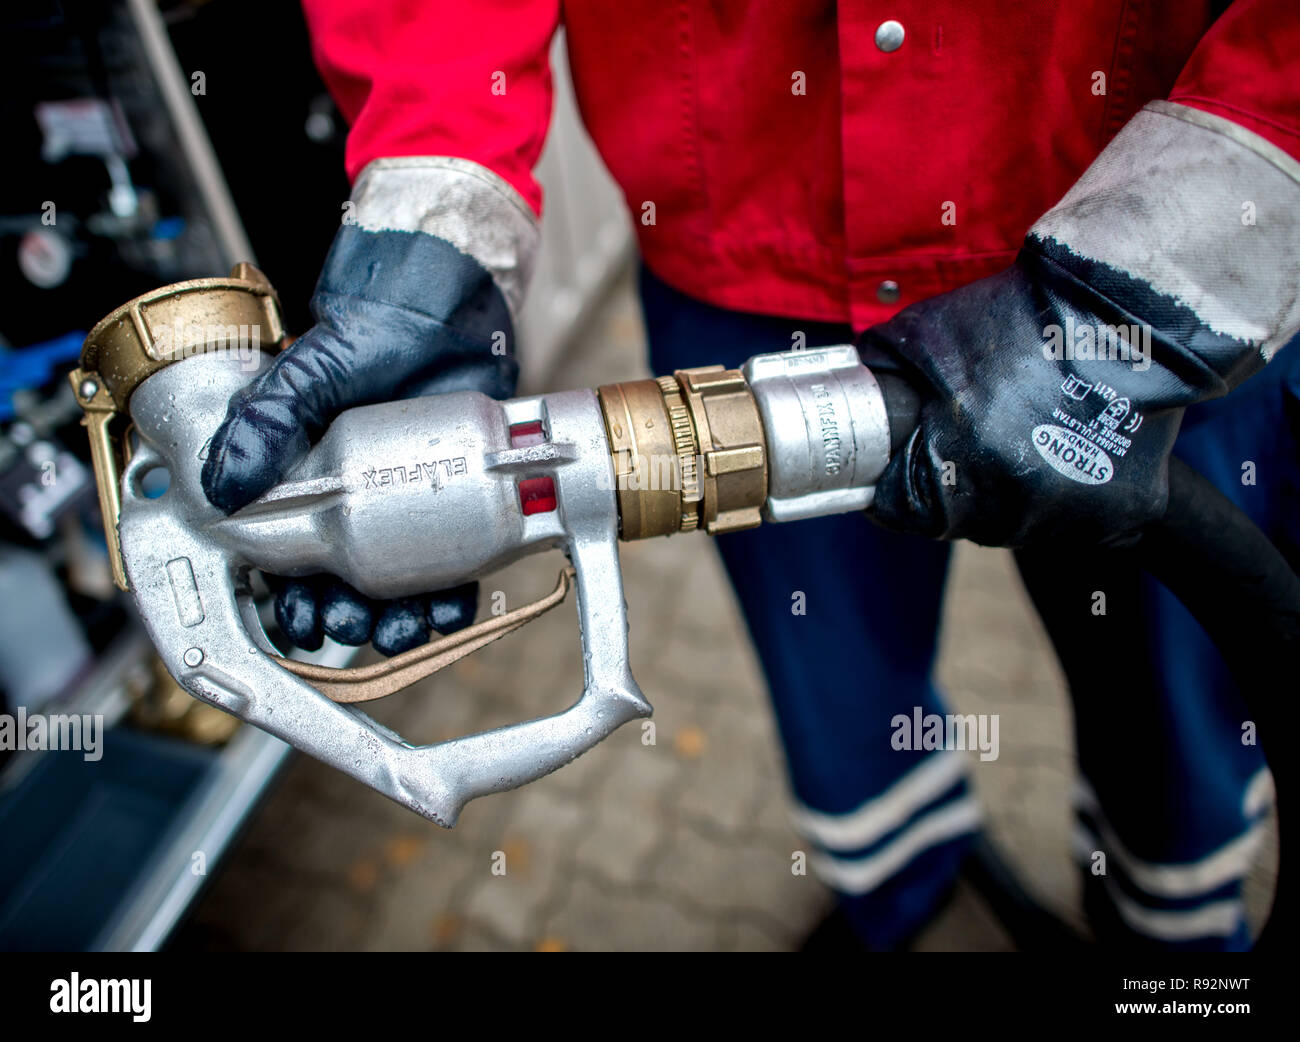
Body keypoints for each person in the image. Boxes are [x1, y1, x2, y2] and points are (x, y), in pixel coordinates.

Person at [200, 1, 1300, 949]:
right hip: (749, 262)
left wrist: (1166, 270)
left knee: (1175, 706)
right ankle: (902, 902)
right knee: (839, 693)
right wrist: (434, 201)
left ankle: (1170, 955)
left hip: (1146, 266)